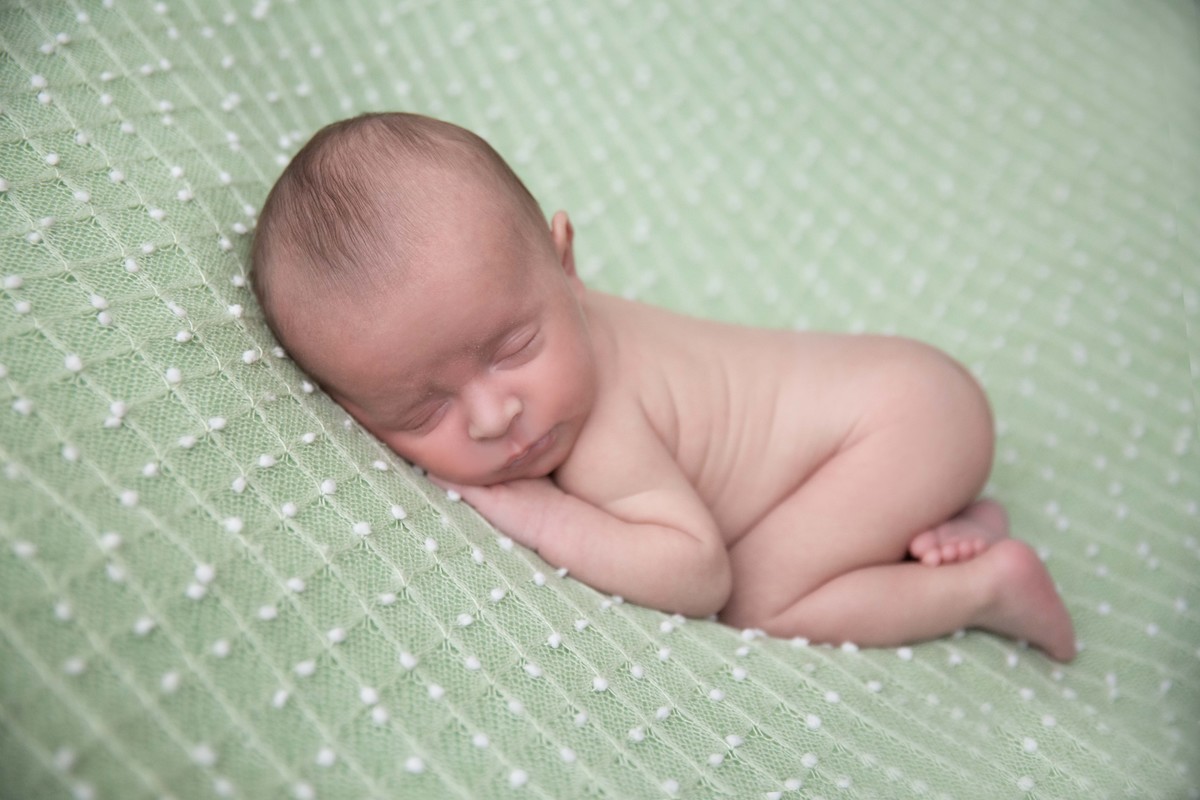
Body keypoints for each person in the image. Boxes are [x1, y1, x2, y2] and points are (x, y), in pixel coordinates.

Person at [251, 112, 1076, 662]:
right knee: (804, 535)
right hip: (901, 413)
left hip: (899, 425)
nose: (497, 413)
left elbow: (697, 575)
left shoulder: (602, 430)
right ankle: (936, 521)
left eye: (514, 348)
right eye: (423, 410)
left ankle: (987, 586)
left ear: (565, 263)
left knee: (762, 597)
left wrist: (541, 510)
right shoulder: (524, 311)